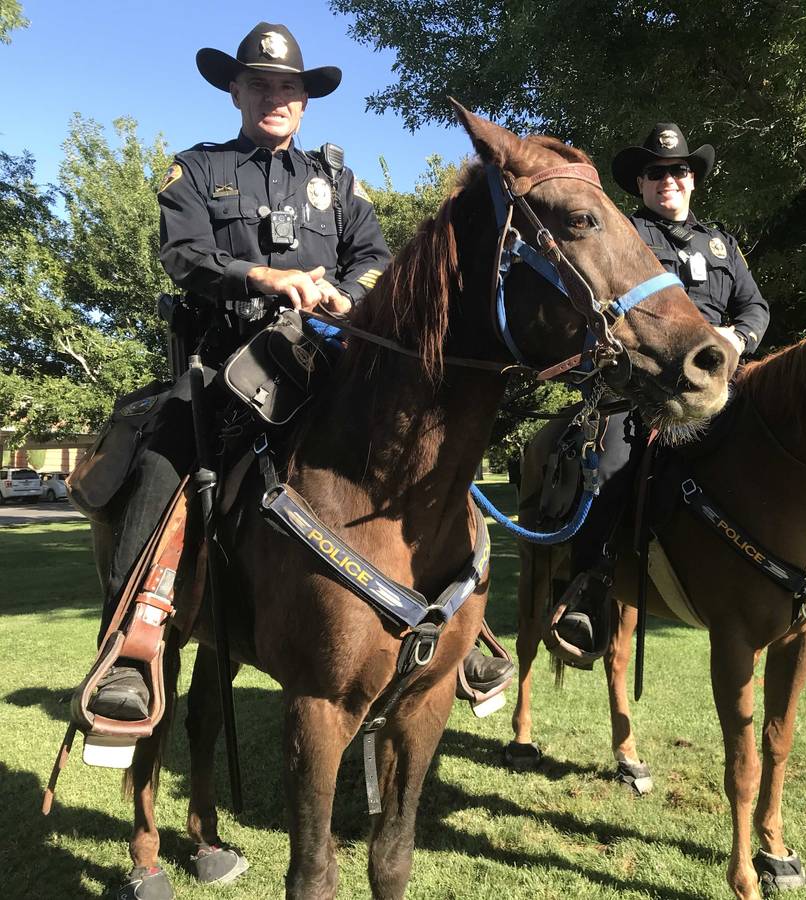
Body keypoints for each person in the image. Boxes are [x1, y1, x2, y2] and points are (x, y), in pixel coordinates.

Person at [90, 22, 510, 722]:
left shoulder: (337, 180)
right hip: (226, 362)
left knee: (423, 436)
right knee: (164, 451)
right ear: (236, 91)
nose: (274, 97)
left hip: (327, 358)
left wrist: (348, 293)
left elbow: (375, 256)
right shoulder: (195, 171)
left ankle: (459, 625)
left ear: (306, 101)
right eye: (259, 84)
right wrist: (263, 275)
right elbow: (184, 255)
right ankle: (131, 641)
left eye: (288, 87)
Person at [551, 122, 770, 658]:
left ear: (693, 179)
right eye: (655, 172)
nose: (668, 179)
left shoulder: (722, 243)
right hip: (647, 393)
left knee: (794, 436)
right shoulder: (627, 237)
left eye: (678, 170)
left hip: (726, 385)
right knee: (611, 468)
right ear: (642, 184)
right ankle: (590, 586)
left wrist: (736, 337)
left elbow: (755, 307)